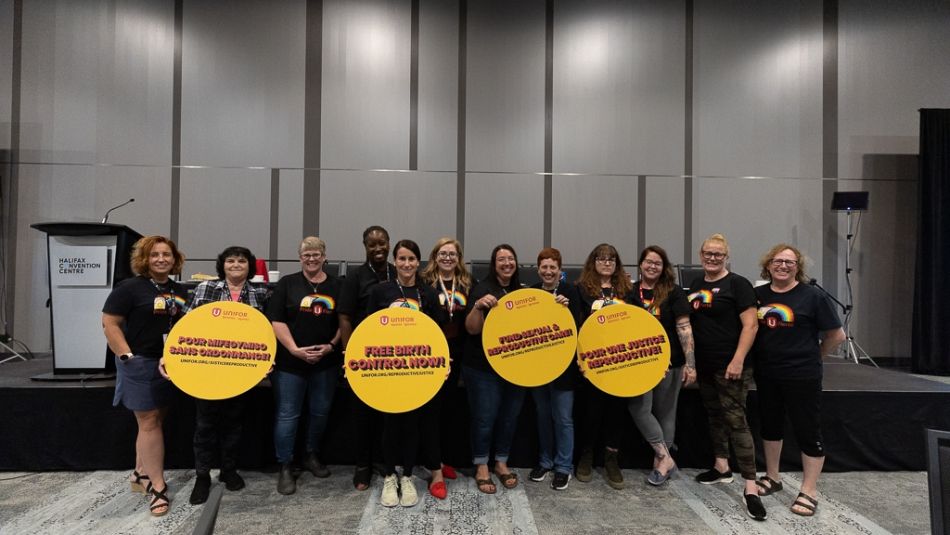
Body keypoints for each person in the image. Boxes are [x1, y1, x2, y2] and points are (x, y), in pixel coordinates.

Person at [753, 244, 845, 517]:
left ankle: (808, 490)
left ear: (798, 267)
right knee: (770, 427)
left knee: (807, 430)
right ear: (768, 266)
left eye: (789, 262)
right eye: (777, 261)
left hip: (802, 375)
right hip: (767, 373)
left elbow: (836, 335)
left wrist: (814, 355)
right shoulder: (757, 295)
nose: (783, 266)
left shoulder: (812, 296)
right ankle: (773, 477)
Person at [102, 235, 186, 517]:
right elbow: (109, 323)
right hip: (141, 362)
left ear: (174, 259)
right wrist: (126, 356)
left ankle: (140, 474)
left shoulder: (179, 288)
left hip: (170, 364)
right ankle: (158, 488)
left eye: (166, 254)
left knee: (156, 420)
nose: (161, 259)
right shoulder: (130, 288)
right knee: (149, 421)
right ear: (144, 259)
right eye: (155, 255)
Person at [687, 233, 765, 521]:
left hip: (731, 366)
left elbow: (751, 326)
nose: (712, 257)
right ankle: (721, 466)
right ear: (701, 254)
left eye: (718, 254)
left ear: (726, 257)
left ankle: (751, 487)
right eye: (708, 253)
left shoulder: (738, 284)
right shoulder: (696, 284)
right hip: (706, 366)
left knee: (737, 421)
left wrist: (738, 359)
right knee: (714, 416)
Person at [366, 239, 448, 507]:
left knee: (413, 425)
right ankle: (391, 475)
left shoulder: (428, 293)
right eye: (401, 259)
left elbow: (439, 334)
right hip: (388, 369)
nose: (407, 264)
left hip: (419, 372)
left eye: (412, 259)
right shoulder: (381, 292)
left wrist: (443, 362)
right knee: (391, 425)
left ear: (418, 262)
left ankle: (409, 475)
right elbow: (368, 331)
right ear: (395, 261)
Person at [266, 237, 343, 495]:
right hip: (290, 363)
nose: (311, 258)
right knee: (288, 415)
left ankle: (311, 455)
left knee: (320, 411)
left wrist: (331, 346)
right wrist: (294, 350)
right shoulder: (287, 284)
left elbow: (344, 322)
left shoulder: (337, 285)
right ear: (300, 257)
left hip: (326, 362)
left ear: (324, 256)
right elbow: (276, 320)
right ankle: (286, 465)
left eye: (316, 254)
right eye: (306, 255)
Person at [627, 245, 696, 486]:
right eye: (648, 262)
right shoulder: (630, 291)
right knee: (639, 408)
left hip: (672, 361)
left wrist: (690, 364)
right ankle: (666, 456)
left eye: (657, 263)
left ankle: (660, 465)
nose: (652, 266)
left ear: (664, 267)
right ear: (641, 264)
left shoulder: (673, 292)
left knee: (666, 412)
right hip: (638, 362)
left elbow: (684, 327)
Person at [464, 244, 526, 494]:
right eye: (501, 259)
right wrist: (478, 306)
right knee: (484, 419)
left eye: (511, 258)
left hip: (515, 368)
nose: (507, 263)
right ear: (493, 264)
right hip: (482, 368)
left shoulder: (523, 292)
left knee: (509, 418)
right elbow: (471, 329)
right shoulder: (481, 289)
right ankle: (481, 465)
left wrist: (558, 305)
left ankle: (501, 462)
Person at [338, 225, 396, 491]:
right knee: (362, 413)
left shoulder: (397, 273)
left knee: (388, 412)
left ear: (388, 243)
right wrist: (349, 354)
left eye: (382, 243)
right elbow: (345, 317)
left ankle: (385, 461)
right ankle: (363, 466)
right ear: (365, 246)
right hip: (363, 355)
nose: (378, 248)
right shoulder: (355, 277)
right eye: (372, 244)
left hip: (394, 356)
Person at [573, 243, 634, 490]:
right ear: (593, 262)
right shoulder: (581, 290)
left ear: (617, 264)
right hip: (592, 360)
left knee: (616, 411)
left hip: (620, 361)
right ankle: (586, 456)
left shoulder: (628, 291)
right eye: (601, 258)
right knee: (591, 411)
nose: (606, 263)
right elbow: (576, 325)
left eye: (611, 259)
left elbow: (638, 324)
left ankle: (611, 459)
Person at [419, 237, 475, 496]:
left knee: (447, 411)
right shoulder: (425, 284)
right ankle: (435, 472)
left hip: (459, 351)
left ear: (458, 257)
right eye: (443, 253)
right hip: (432, 353)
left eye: (452, 254)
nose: (448, 258)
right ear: (435, 256)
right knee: (430, 412)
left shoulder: (466, 283)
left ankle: (439, 460)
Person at [527, 247, 579, 491]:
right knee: (542, 415)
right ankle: (545, 462)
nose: (548, 272)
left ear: (560, 270)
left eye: (553, 267)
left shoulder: (571, 292)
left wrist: (567, 309)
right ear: (539, 269)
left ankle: (563, 467)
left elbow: (580, 327)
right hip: (538, 366)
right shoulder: (532, 293)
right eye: (544, 267)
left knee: (563, 418)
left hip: (564, 367)